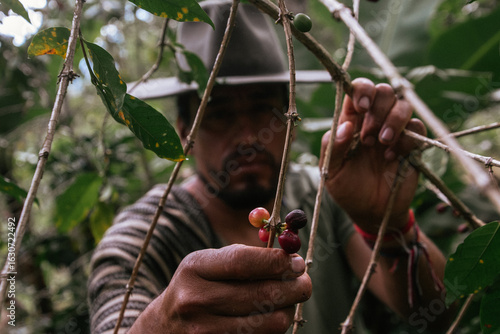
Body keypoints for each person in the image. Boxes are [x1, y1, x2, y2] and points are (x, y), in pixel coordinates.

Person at [87, 1, 454, 333]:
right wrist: (162, 325)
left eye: (263, 110)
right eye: (220, 115)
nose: (248, 136)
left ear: (289, 117)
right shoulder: (144, 235)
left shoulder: (326, 192)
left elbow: (438, 315)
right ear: (185, 131)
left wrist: (386, 222)